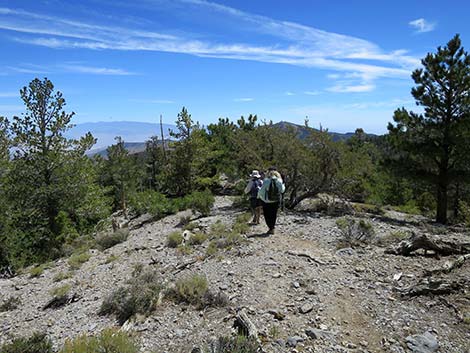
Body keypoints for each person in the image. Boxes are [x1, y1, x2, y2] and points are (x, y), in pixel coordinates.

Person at [258, 167, 285, 234]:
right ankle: (272, 228)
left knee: (267, 215)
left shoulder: (266, 180)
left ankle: (270, 227)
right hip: (276, 201)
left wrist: (260, 197)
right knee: (274, 214)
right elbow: (282, 190)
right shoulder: (279, 181)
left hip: (267, 201)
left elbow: (262, 191)